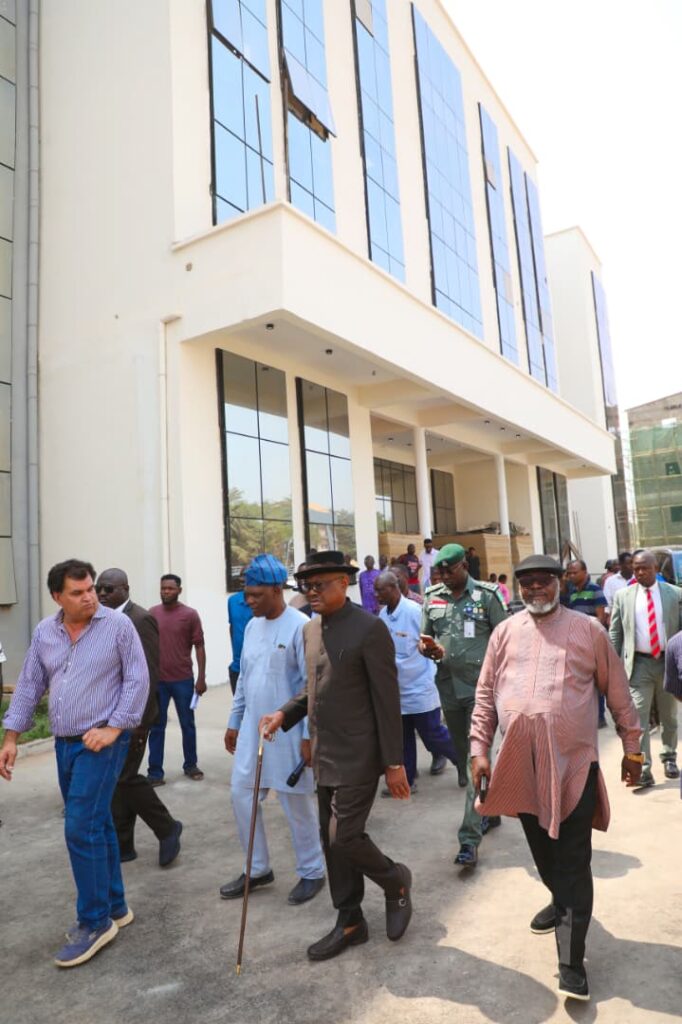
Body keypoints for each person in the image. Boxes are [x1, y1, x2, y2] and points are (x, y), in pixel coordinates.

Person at [469, 554, 642, 1002]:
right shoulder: (505, 632)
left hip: (572, 766)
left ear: (559, 583)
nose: (535, 589)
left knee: (572, 860)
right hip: (519, 766)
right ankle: (557, 898)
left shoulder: (589, 631)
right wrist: (478, 750)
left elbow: (618, 691)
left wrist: (632, 746)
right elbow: (486, 694)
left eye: (543, 581)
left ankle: (571, 961)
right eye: (526, 583)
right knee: (542, 851)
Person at [259, 551, 412, 962]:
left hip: (360, 754)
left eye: (321, 583)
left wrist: (394, 764)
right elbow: (314, 688)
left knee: (343, 836)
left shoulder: (370, 629)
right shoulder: (310, 630)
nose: (313, 592)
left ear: (344, 583)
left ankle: (396, 881)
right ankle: (350, 921)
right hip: (324, 754)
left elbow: (386, 701)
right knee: (335, 847)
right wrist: (285, 715)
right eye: (308, 586)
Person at [0, 559, 149, 967]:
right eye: (79, 593)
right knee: (96, 823)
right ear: (57, 597)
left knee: (79, 825)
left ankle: (94, 921)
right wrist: (11, 736)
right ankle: (116, 906)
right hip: (65, 744)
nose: (90, 598)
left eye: (91, 589)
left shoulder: (118, 627)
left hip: (101, 743)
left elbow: (138, 679)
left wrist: (114, 729)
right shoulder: (45, 632)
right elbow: (31, 684)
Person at [221, 555, 325, 906]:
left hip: (290, 732)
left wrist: (310, 736)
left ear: (277, 589)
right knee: (241, 794)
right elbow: (245, 680)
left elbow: (312, 685)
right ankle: (258, 868)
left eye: (255, 595)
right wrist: (235, 721)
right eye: (245, 594)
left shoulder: (302, 626)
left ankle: (312, 871)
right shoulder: (252, 627)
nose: (247, 601)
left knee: (296, 802)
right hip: (253, 728)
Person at [419, 544, 507, 867]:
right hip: (448, 691)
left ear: (464, 565)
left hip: (481, 692)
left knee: (475, 763)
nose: (443, 577)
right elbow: (424, 638)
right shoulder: (432, 598)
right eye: (439, 572)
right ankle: (491, 809)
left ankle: (469, 839)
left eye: (449, 571)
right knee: (462, 756)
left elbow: (506, 640)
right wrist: (429, 649)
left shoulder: (487, 596)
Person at [96, 569, 182, 868]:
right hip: (109, 716)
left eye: (108, 589)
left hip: (134, 717)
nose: (102, 594)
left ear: (125, 588)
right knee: (119, 780)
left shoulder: (140, 619)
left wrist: (139, 721)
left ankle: (168, 827)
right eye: (99, 589)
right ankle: (124, 845)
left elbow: (149, 674)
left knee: (125, 777)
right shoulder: (102, 620)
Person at [375, 571, 458, 790]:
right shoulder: (383, 616)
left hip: (420, 685)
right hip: (398, 690)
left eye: (379, 590)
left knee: (433, 734)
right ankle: (407, 780)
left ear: (393, 588)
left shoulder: (413, 612)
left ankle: (464, 761)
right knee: (403, 740)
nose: (375, 595)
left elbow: (431, 642)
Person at [608, 549, 682, 785]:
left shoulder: (675, 594)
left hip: (666, 662)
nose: (640, 572)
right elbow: (616, 632)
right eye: (636, 568)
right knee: (638, 718)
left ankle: (669, 756)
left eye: (645, 568)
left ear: (655, 569)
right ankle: (643, 769)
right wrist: (612, 666)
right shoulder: (623, 596)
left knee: (669, 714)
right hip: (638, 664)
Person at [147, 574, 206, 784]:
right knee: (156, 726)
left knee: (187, 724)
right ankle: (155, 772)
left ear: (179, 590)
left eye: (170, 589)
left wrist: (201, 677)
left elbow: (199, 645)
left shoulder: (189, 615)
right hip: (158, 682)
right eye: (163, 588)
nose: (166, 592)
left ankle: (191, 765)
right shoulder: (152, 614)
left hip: (183, 680)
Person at [563, 560, 609, 727]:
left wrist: (586, 633)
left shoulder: (595, 590)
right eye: (569, 573)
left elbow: (601, 618)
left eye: (575, 572)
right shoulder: (572, 592)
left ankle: (600, 717)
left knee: (597, 680)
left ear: (585, 572)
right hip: (575, 643)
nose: (571, 576)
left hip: (591, 642)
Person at [227, 572, 253, 695]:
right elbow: (232, 626)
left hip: (256, 666)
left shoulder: (262, 603)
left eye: (247, 575)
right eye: (242, 575)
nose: (243, 578)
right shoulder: (232, 601)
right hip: (237, 666)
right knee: (239, 709)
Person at [603, 551, 634, 617]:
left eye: (633, 563)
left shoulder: (638, 580)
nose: (632, 566)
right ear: (621, 565)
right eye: (629, 563)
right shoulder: (610, 581)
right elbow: (607, 603)